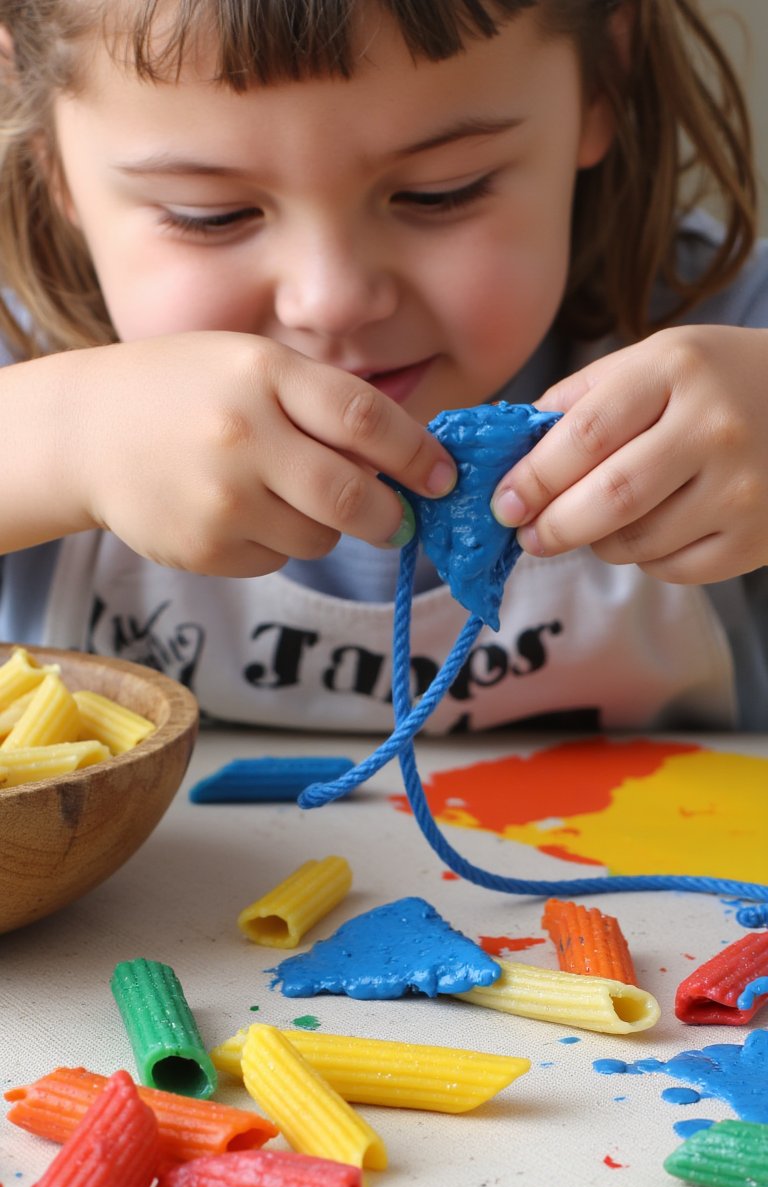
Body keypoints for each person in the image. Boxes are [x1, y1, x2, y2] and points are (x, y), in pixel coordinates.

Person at [0, 0, 766, 735]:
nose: (331, 301)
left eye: (440, 194)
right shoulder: (29, 371)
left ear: (602, 79)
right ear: (43, 138)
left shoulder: (730, 344)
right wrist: (63, 439)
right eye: (212, 215)